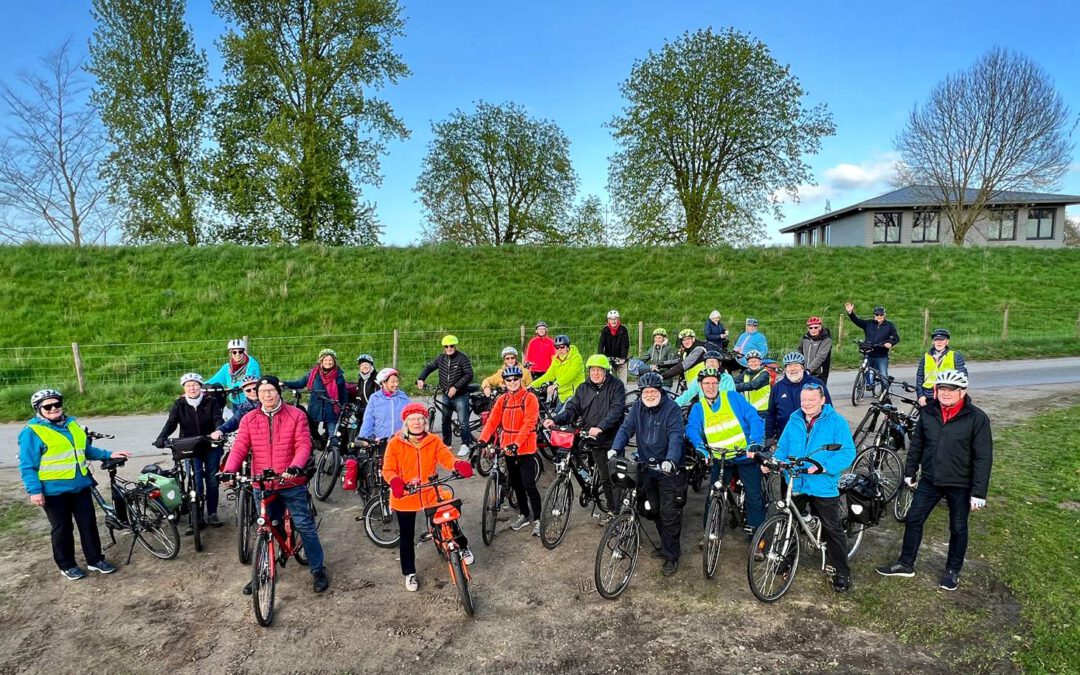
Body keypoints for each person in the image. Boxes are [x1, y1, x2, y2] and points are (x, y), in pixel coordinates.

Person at [877, 370, 992, 591]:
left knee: (958, 527)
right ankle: (905, 563)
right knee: (913, 520)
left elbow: (983, 457)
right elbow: (918, 444)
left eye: (951, 389)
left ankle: (952, 571)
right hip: (930, 479)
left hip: (960, 483)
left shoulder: (977, 418)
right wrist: (910, 472)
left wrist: (979, 493)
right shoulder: (928, 412)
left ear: (963, 391)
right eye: (942, 389)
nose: (946, 393)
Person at [222, 376, 329, 594]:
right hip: (262, 483)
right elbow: (241, 446)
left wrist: (296, 466)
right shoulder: (249, 419)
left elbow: (303, 444)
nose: (267, 395)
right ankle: (262, 570)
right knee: (265, 526)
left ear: (278, 392)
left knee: (304, 525)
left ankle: (318, 569)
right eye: (262, 392)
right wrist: (228, 470)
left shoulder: (296, 415)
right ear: (257, 395)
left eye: (270, 390)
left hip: (290, 480)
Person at [18, 389, 132, 580]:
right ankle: (67, 565)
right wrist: (35, 491)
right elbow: (28, 465)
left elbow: (85, 450)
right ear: (39, 409)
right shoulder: (32, 432)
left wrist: (108, 454)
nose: (54, 408)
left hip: (80, 486)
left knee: (88, 524)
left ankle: (95, 560)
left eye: (57, 404)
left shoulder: (72, 424)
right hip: (53, 491)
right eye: (47, 406)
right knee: (62, 528)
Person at [768, 383, 857, 592]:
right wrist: (774, 461)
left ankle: (842, 572)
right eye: (803, 400)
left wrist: (823, 467)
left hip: (822, 484)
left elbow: (847, 452)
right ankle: (786, 560)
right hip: (796, 480)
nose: (806, 404)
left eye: (811, 400)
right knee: (789, 523)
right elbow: (783, 446)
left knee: (832, 528)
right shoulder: (795, 418)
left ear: (822, 400)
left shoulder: (836, 422)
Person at [382, 402, 475, 592]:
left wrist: (457, 464)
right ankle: (409, 573)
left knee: (449, 520)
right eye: (412, 419)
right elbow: (388, 469)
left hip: (429, 490)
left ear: (425, 422)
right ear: (406, 423)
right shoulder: (395, 443)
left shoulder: (433, 440)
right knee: (406, 536)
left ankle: (462, 546)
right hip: (406, 494)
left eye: (420, 419)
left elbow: (445, 457)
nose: (416, 423)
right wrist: (395, 481)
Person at [610, 372, 686, 576]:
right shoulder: (638, 408)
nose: (650, 394)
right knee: (651, 509)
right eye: (646, 391)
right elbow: (626, 429)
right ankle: (665, 543)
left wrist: (671, 460)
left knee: (669, 514)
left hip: (669, 470)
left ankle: (671, 556)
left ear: (660, 391)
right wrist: (615, 449)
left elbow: (676, 436)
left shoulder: (672, 409)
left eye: (653, 391)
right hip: (646, 467)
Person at [543, 354, 626, 524]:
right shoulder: (583, 388)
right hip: (589, 435)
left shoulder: (616, 386)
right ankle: (591, 482)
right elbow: (573, 407)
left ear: (606, 371)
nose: (595, 373)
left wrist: (601, 427)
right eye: (592, 370)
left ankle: (614, 510)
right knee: (582, 458)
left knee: (609, 476)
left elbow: (616, 411)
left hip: (611, 438)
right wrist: (556, 419)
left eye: (599, 370)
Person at [685, 368, 767, 533]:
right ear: (700, 385)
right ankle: (710, 533)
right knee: (713, 494)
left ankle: (758, 539)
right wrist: (699, 446)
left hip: (744, 456)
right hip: (721, 458)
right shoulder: (698, 407)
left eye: (714, 383)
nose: (710, 386)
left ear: (719, 384)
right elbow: (692, 428)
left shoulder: (733, 398)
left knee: (754, 497)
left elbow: (754, 417)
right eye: (706, 383)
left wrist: (755, 441)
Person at [153, 373, 226, 530]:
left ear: (201, 386)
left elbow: (218, 419)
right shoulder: (179, 404)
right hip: (189, 446)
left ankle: (212, 513)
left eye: (195, 384)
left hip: (210, 444)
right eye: (188, 385)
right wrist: (162, 437)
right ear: (184, 388)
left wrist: (219, 431)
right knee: (196, 480)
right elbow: (171, 422)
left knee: (212, 480)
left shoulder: (211, 401)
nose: (192, 388)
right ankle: (197, 514)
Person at [476, 365, 542, 536]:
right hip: (508, 447)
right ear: (504, 382)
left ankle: (538, 519)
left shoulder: (529, 398)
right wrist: (483, 440)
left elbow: (529, 423)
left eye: (515, 379)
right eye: (509, 380)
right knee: (516, 484)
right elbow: (492, 420)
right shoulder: (503, 400)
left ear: (520, 380)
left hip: (525, 447)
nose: (512, 382)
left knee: (529, 484)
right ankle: (524, 514)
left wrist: (517, 443)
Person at [417, 335, 476, 446]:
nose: (449, 348)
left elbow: (469, 374)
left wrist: (456, 387)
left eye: (451, 346)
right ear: (444, 347)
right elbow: (429, 367)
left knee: (463, 422)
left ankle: (466, 444)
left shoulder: (462, 358)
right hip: (446, 394)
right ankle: (447, 444)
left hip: (461, 395)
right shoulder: (441, 358)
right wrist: (421, 378)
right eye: (446, 346)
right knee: (445, 420)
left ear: (455, 346)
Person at [765, 352, 832, 443]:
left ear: (802, 367)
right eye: (789, 365)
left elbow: (828, 409)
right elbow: (771, 413)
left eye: (796, 365)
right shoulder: (778, 387)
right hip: (785, 436)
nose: (793, 369)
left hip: (813, 436)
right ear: (785, 369)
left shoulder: (817, 384)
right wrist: (769, 436)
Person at [286, 348, 348, 439]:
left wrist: (344, 407)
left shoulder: (339, 376)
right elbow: (299, 384)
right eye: (326, 360)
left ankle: (334, 451)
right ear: (321, 361)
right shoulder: (313, 374)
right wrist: (284, 383)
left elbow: (343, 393)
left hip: (332, 409)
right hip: (315, 408)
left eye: (331, 360)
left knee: (333, 435)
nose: (328, 362)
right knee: (310, 433)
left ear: (334, 362)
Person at [845, 303, 900, 392]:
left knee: (883, 375)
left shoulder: (889, 325)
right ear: (874, 315)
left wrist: (890, 343)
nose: (879, 316)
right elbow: (857, 321)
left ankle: (884, 393)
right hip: (869, 352)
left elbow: (896, 338)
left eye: (881, 314)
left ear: (884, 315)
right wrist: (850, 312)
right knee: (865, 368)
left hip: (881, 355)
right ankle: (867, 384)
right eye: (877, 315)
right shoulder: (868, 324)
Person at [915, 329, 968, 406]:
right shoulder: (926, 356)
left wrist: (960, 395)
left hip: (946, 394)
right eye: (936, 340)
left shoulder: (955, 356)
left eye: (942, 340)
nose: (939, 342)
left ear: (947, 341)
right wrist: (920, 395)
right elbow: (920, 377)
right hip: (928, 395)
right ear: (933, 342)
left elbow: (963, 377)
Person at [530, 334, 585, 406]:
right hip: (562, 396)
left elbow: (571, 375)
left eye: (562, 347)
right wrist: (532, 385)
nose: (559, 350)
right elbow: (549, 375)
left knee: (559, 416)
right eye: (557, 347)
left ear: (568, 347)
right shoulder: (556, 360)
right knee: (552, 415)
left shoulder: (576, 358)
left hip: (575, 395)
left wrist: (556, 384)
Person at [206, 338, 262, 408]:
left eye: (240, 351)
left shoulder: (252, 364)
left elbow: (251, 379)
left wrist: (234, 387)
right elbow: (216, 379)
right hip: (234, 401)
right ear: (231, 353)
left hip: (250, 400)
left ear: (244, 352)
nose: (237, 354)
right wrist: (202, 385)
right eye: (234, 352)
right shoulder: (227, 367)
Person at [359, 368, 410, 440]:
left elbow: (412, 418)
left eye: (397, 381)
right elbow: (368, 419)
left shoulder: (404, 398)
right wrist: (363, 437)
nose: (396, 384)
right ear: (383, 382)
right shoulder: (375, 398)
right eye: (393, 382)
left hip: (400, 441)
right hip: (380, 441)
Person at [211, 375, 260, 439]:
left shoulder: (269, 402)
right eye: (248, 390)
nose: (252, 391)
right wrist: (220, 430)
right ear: (244, 392)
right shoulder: (244, 407)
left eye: (255, 388)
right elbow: (235, 420)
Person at [734, 350, 771, 417]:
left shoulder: (765, 373)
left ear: (760, 362)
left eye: (756, 361)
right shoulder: (746, 373)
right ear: (747, 363)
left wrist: (733, 387)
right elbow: (734, 380)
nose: (753, 363)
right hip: (749, 409)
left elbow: (753, 385)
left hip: (762, 411)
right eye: (751, 361)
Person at [798, 317, 833, 384]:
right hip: (805, 372)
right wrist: (799, 365)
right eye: (810, 328)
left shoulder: (826, 339)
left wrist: (808, 370)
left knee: (817, 393)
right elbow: (800, 350)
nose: (813, 330)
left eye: (816, 327)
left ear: (820, 327)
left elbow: (820, 357)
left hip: (819, 374)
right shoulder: (805, 337)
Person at [598, 309, 630, 384]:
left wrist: (623, 358)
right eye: (611, 319)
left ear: (618, 319)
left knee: (622, 382)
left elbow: (625, 345)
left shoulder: (623, 330)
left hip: (620, 358)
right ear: (608, 320)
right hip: (609, 357)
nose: (613, 321)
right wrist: (600, 356)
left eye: (615, 319)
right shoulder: (605, 330)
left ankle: (623, 392)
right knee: (609, 380)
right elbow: (601, 344)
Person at [354, 354, 379, 425]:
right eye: (362, 365)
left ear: (371, 365)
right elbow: (359, 394)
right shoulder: (361, 380)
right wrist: (358, 406)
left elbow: (379, 394)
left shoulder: (377, 377)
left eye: (366, 364)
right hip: (365, 411)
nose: (364, 366)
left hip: (376, 410)